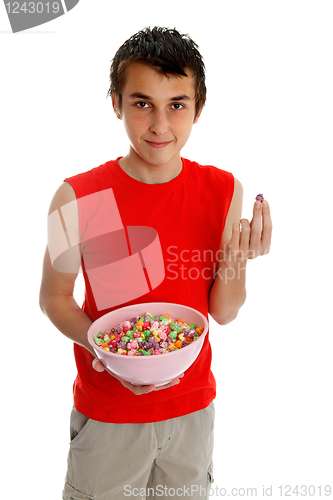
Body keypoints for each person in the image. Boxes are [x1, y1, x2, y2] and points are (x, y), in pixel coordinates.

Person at [39, 27, 272, 500]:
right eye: (142, 103)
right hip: (108, 415)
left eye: (177, 105)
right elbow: (53, 298)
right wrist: (104, 350)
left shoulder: (223, 190)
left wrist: (238, 259)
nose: (160, 125)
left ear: (198, 109)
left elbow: (223, 312)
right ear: (116, 103)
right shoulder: (78, 197)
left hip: (191, 411)